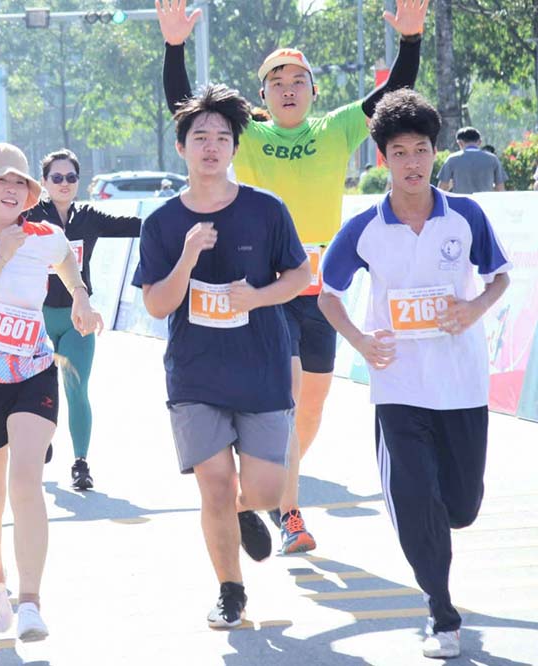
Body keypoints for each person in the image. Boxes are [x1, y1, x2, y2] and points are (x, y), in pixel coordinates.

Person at [158, 0, 428, 554]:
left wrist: (411, 41)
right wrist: (174, 47)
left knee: (311, 408)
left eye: (298, 80)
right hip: (267, 291)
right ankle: (291, 513)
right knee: (288, 394)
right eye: (276, 81)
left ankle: (259, 495)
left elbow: (395, 98)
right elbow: (187, 112)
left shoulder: (337, 129)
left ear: (313, 91)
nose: (287, 88)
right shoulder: (248, 134)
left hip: (321, 293)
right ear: (261, 96)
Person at [318, 90, 511, 659]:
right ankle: (442, 613)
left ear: (435, 153)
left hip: (462, 386)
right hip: (398, 385)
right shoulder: (364, 227)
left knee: (460, 506)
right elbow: (328, 295)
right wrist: (358, 339)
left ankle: (426, 519)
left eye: (421, 150)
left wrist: (473, 308)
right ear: (383, 159)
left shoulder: (467, 215)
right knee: (416, 495)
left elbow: (499, 277)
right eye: (399, 152)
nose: (412, 163)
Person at [133, 84, 310, 628]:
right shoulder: (162, 223)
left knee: (263, 489)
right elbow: (158, 304)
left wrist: (256, 296)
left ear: (234, 147)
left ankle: (244, 511)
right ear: (182, 147)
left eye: (222, 137)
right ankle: (230, 591)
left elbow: (301, 276)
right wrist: (186, 259)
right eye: (199, 137)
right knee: (213, 483)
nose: (211, 147)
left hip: (261, 367)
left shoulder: (266, 209)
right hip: (196, 374)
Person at [0, 142, 103, 641]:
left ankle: (30, 601)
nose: (12, 189)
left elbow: (67, 264)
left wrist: (80, 296)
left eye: (20, 183)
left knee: (26, 482)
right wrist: (1, 257)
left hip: (31, 369)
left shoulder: (46, 235)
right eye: (0, 181)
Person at [25, 148, 143, 490]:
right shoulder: (30, 216)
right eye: (57, 178)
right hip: (37, 316)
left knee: (77, 389)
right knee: (37, 388)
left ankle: (80, 463)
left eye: (71, 177)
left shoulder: (89, 217)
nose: (64, 183)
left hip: (78, 317)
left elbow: (141, 226)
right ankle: (41, 438)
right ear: (44, 182)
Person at [437, 127, 507, 193]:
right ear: (479, 142)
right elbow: (500, 188)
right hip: (485, 203)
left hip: (461, 203)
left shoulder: (452, 159)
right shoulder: (493, 159)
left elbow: (442, 187)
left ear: (460, 143)